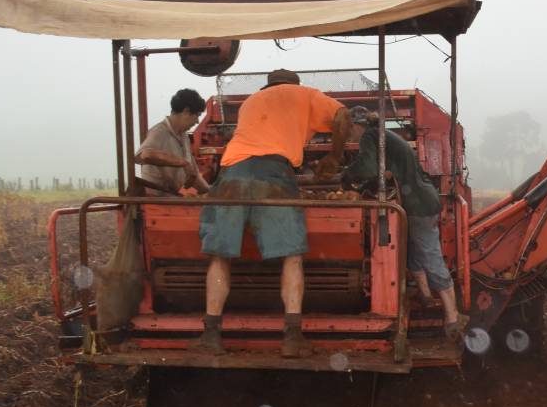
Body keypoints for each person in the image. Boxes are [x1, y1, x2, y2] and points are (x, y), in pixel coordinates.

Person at [191, 69, 352, 357]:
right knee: (291, 256)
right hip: (274, 175)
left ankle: (211, 335)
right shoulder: (306, 95)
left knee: (220, 256)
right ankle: (292, 337)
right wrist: (334, 157)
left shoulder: (252, 101)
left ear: (269, 86)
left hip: (232, 176)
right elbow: (343, 117)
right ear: (294, 85)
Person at [341, 106, 468, 340]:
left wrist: (347, 175)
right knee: (412, 250)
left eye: (349, 129)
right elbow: (386, 172)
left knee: (429, 254)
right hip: (418, 200)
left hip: (418, 204)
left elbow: (368, 167)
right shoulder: (385, 136)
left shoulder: (370, 136)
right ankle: (426, 295)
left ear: (357, 125)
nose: (350, 134)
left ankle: (452, 316)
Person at [134, 88, 210, 194]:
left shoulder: (184, 137)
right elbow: (145, 155)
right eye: (197, 115)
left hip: (171, 197)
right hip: (154, 200)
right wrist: (182, 163)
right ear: (186, 111)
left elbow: (194, 176)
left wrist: (212, 193)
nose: (197, 121)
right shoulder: (159, 131)